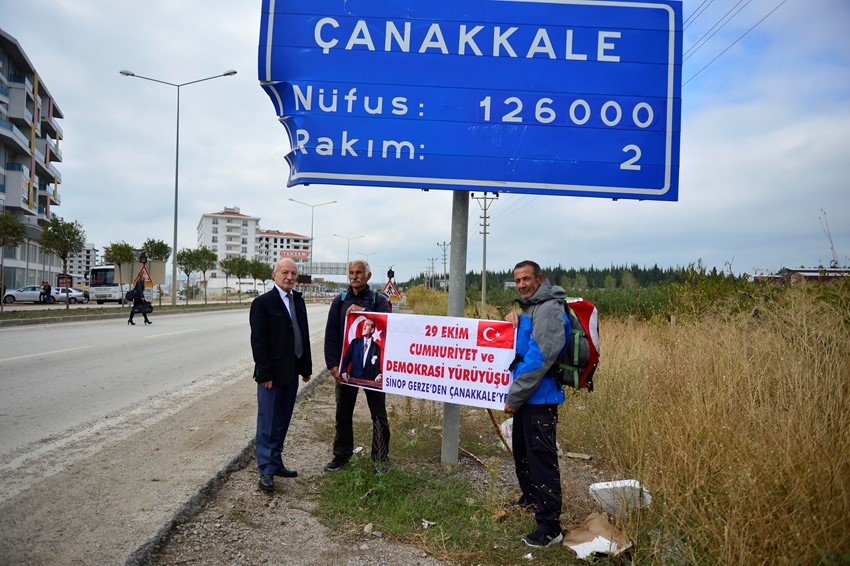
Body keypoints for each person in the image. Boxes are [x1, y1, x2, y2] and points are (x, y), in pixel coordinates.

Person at [504, 260, 569, 548]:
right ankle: (531, 501)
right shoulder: (531, 307)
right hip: (527, 399)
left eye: (526, 279)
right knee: (524, 454)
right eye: (517, 280)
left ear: (540, 279)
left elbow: (540, 357)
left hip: (539, 400)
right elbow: (523, 347)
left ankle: (549, 527)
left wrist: (514, 396)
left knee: (542, 462)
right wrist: (512, 319)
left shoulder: (550, 309)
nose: (522, 285)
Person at [250, 258, 312, 492]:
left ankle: (276, 462)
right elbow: (258, 342)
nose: (290, 277)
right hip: (271, 375)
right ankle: (266, 469)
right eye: (285, 272)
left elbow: (302, 335)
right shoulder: (262, 303)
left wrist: (305, 368)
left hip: (291, 372)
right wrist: (264, 373)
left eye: (293, 273)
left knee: (283, 420)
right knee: (267, 422)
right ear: (274, 275)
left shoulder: (298, 300)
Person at [323, 259, 392, 472]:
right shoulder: (339, 300)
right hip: (348, 369)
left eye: (359, 272)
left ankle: (380, 460)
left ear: (368, 276)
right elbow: (331, 335)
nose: (355, 276)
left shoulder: (379, 300)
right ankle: (342, 455)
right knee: (343, 413)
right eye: (351, 272)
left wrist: (361, 310)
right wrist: (333, 364)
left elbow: (387, 325)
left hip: (374, 372)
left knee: (378, 415)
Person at [339, 318, 383, 386]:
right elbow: (346, 360)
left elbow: (376, 368)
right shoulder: (355, 343)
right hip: (352, 380)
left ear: (372, 330)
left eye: (367, 325)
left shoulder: (377, 348)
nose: (364, 327)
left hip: (369, 382)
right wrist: (344, 372)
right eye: (364, 325)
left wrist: (379, 375)